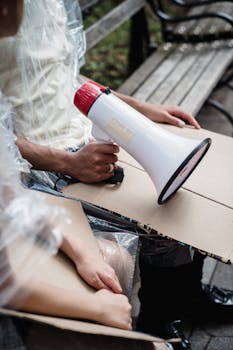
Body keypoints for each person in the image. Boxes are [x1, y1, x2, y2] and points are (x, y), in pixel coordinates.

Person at [0, 1, 232, 349]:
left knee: (185, 185)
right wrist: (68, 162)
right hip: (38, 164)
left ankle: (186, 298)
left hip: (81, 136)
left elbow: (64, 76)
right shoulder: (9, 14)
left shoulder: (52, 4)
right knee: (157, 221)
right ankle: (159, 325)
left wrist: (141, 108)